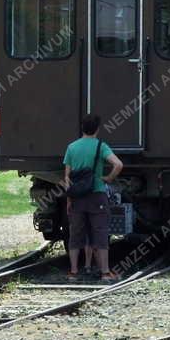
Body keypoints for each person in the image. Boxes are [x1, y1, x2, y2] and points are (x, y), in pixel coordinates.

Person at [63, 114, 123, 281]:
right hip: (97, 195)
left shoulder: (71, 147)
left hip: (77, 198)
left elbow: (67, 177)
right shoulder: (100, 146)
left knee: (75, 234)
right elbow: (118, 165)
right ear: (97, 129)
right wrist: (108, 178)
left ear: (82, 128)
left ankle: (73, 272)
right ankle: (105, 272)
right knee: (100, 232)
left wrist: (69, 199)